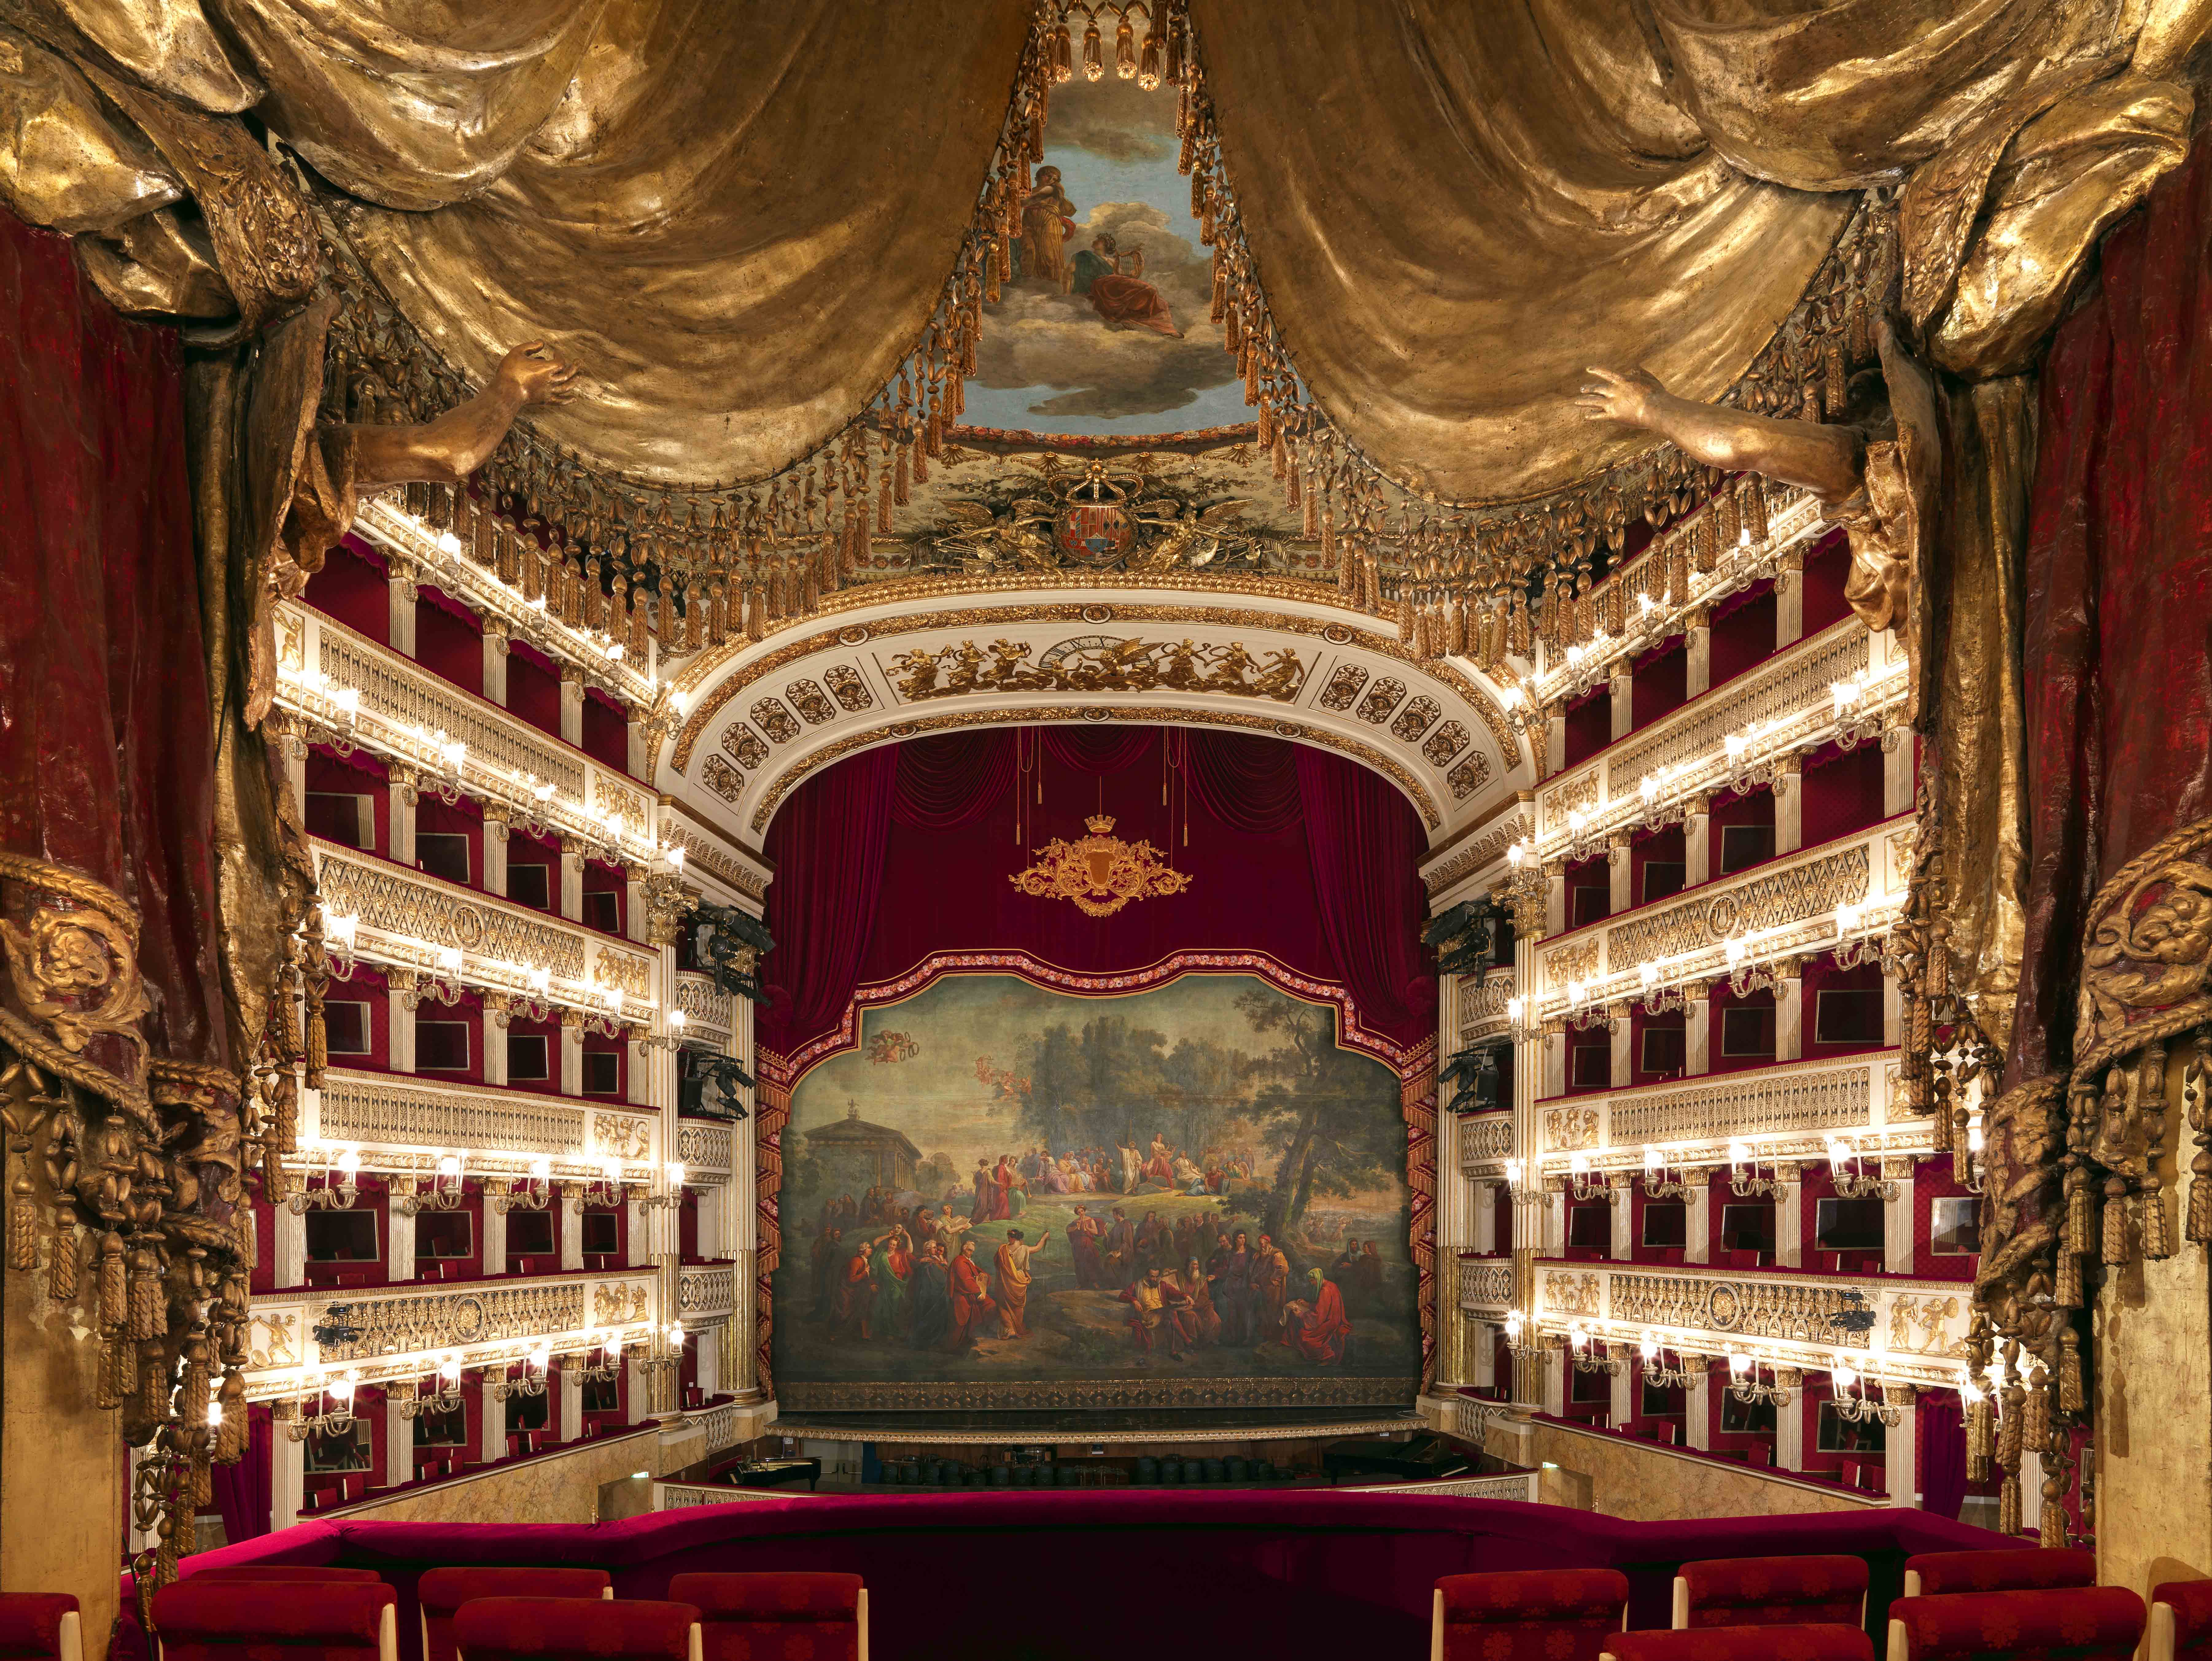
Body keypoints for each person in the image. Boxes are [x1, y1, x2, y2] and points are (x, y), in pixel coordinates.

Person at [1069, 232, 1180, 337]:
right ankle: (1166, 327)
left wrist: (1137, 269)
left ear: (1105, 245)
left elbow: (1122, 277)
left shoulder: (1112, 261)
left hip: (1112, 284)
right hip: (1100, 286)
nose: (1095, 241)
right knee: (1149, 292)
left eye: (1099, 240)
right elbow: (1070, 271)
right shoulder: (1084, 256)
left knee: (1150, 291)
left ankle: (1167, 327)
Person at [1119, 1266, 1195, 1364]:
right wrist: (1134, 1300)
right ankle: (1187, 1341)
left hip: (1162, 1314)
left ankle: (1173, 1352)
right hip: (1147, 1316)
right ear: (1147, 1276)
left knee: (1169, 1320)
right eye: (1152, 1277)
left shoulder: (1162, 1285)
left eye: (1157, 1276)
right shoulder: (1137, 1285)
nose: (1155, 1279)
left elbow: (1175, 1293)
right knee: (1171, 1312)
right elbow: (1122, 1296)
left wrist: (1187, 1296)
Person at [1019, 165, 1076, 289]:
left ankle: (1051, 285)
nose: (1051, 180)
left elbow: (1031, 200)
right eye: (1048, 176)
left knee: (1049, 255)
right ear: (1038, 177)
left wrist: (1014, 201)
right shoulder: (1030, 190)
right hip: (1029, 223)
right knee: (1028, 250)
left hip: (1049, 221)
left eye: (1055, 178)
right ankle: (1029, 283)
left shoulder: (1054, 189)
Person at [1282, 1267, 1352, 1365]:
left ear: (1318, 1278)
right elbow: (1322, 1307)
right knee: (1296, 1318)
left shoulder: (1325, 1291)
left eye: (1312, 1280)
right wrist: (1307, 1304)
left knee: (1304, 1336)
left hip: (1329, 1322)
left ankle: (1327, 1355)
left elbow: (1319, 1318)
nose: (1312, 1283)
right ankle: (1289, 1343)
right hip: (1333, 1319)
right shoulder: (1331, 1285)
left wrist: (1301, 1314)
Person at [993, 1226, 1051, 1337]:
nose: (1008, 1240)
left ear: (1013, 1239)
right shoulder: (1025, 1249)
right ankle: (1016, 1328)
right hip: (1019, 1279)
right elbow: (1038, 1248)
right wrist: (1044, 1237)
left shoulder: (1003, 1249)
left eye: (1009, 1238)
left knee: (1004, 1305)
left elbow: (996, 1263)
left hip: (1006, 1280)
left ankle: (1010, 1329)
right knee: (1018, 1306)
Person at [946, 1237, 999, 1352]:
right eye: (970, 1250)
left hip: (970, 1294)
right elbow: (966, 1281)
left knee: (991, 1305)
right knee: (962, 1321)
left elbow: (978, 1273)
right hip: (962, 1296)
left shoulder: (967, 1261)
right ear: (964, 1250)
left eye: (972, 1251)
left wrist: (984, 1276)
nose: (971, 1253)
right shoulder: (960, 1262)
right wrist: (979, 1293)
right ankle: (956, 1346)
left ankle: (973, 1337)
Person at [1210, 1229, 1253, 1345]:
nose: (1243, 1240)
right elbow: (1225, 1269)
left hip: (1244, 1285)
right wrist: (1215, 1275)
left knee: (1244, 1312)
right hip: (1231, 1285)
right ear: (1235, 1240)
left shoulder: (1251, 1252)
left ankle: (1244, 1338)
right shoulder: (1230, 1254)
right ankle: (1232, 1338)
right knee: (1231, 1313)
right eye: (1240, 1238)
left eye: (1244, 1237)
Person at [908, 1239, 951, 1350]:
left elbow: (944, 1274)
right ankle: (926, 1342)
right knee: (929, 1316)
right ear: (928, 1250)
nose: (937, 1250)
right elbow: (934, 1277)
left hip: (939, 1293)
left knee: (938, 1316)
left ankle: (936, 1340)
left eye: (936, 1248)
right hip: (930, 1294)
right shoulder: (927, 1261)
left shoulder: (936, 1260)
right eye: (934, 1248)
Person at [1252, 1233, 1290, 1341]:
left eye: (1262, 1244)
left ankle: (1274, 1338)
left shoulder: (1277, 1255)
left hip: (1274, 1289)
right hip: (1265, 1289)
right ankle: (1266, 1336)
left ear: (1268, 1243)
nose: (1261, 1247)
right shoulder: (1264, 1253)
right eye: (1260, 1245)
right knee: (1265, 1311)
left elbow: (1283, 1269)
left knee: (1274, 1312)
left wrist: (1272, 1278)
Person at [1175, 1256, 1221, 1346]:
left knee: (1217, 1320)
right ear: (1189, 1266)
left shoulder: (1202, 1279)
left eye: (1197, 1265)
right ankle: (1193, 1343)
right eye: (1194, 1264)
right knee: (1190, 1317)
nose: (1197, 1267)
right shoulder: (1181, 1276)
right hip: (1185, 1308)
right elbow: (1172, 1274)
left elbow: (1204, 1297)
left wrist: (1194, 1305)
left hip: (1200, 1306)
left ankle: (1209, 1340)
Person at [809, 1225, 844, 1321]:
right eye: (836, 1234)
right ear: (833, 1236)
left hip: (835, 1274)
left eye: (839, 1234)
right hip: (831, 1275)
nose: (839, 1236)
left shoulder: (835, 1245)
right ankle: (827, 1315)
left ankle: (830, 1314)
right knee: (830, 1293)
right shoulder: (832, 1246)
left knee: (833, 1294)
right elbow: (827, 1261)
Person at [1067, 1205, 1105, 1289]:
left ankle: (1095, 1282)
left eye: (1082, 1211)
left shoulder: (1090, 1220)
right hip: (1077, 1244)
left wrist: (1088, 1229)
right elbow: (1068, 1230)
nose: (1081, 1213)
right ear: (1077, 1214)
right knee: (1079, 1263)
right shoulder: (1075, 1221)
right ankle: (1081, 1283)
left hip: (1088, 1243)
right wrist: (1075, 1227)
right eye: (1079, 1212)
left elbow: (1096, 1232)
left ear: (1084, 1211)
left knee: (1090, 1261)